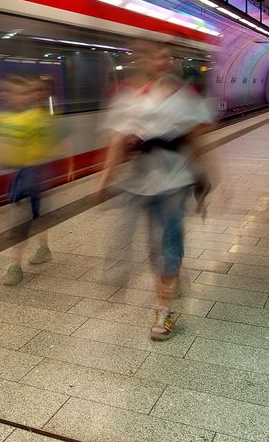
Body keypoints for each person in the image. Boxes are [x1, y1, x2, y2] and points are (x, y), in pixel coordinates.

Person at [95, 41, 214, 340]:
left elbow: (196, 136)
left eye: (165, 55)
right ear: (141, 59)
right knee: (154, 247)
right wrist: (104, 179)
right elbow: (118, 139)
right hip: (141, 182)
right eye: (153, 54)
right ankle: (169, 275)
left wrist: (206, 175)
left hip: (175, 181)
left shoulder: (182, 96)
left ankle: (164, 311)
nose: (161, 59)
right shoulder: (127, 98)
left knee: (168, 242)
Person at [0, 75, 54, 285]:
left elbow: (47, 144)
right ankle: (30, 257)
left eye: (22, 93)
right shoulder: (0, 119)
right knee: (28, 218)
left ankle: (27, 259)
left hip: (34, 175)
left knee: (30, 218)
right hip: (20, 177)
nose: (16, 97)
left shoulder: (35, 117)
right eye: (10, 92)